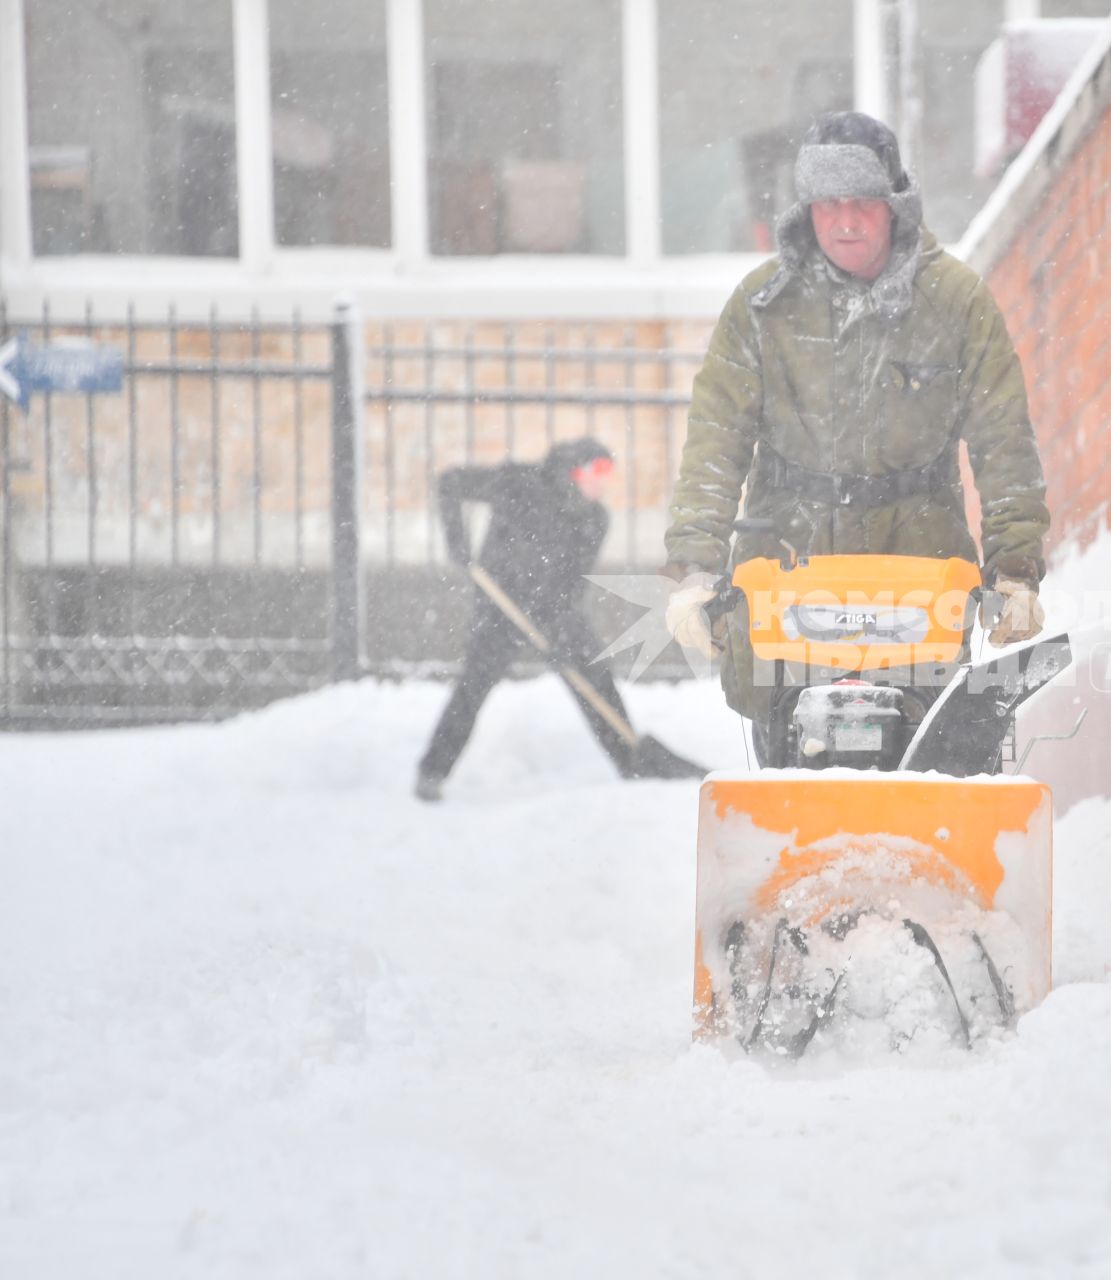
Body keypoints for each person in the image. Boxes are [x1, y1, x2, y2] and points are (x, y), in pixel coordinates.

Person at [661, 111, 1051, 724]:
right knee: (790, 740)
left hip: (918, 559)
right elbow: (716, 438)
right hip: (789, 555)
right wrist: (694, 568)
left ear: (895, 205)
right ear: (806, 209)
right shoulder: (763, 307)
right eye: (828, 203)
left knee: (920, 740)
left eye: (863, 202)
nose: (845, 221)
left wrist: (1015, 569)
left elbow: (1003, 439)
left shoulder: (954, 301)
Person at [415, 437, 701, 801]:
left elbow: (571, 586)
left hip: (554, 612)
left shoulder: (594, 519)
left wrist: (558, 635)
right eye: (597, 472)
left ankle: (631, 759)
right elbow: (451, 483)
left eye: (608, 473)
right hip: (501, 606)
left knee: (594, 680)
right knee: (473, 686)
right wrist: (458, 543)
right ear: (573, 470)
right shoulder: (520, 484)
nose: (603, 481)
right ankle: (431, 772)